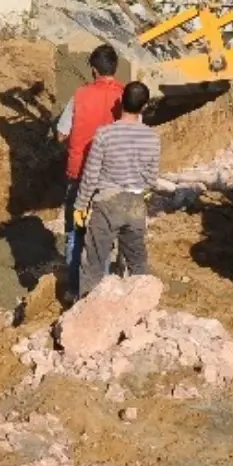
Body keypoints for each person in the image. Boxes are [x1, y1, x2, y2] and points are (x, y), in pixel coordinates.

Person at [72, 81, 161, 299]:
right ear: (145, 106)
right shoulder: (152, 137)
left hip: (106, 204)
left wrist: (80, 205)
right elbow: (151, 176)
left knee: (94, 261)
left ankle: (86, 310)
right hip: (135, 205)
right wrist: (144, 190)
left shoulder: (104, 134)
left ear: (121, 101)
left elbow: (91, 175)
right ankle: (140, 309)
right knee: (136, 261)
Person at [54, 44, 124, 297]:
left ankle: (75, 289)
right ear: (114, 69)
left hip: (81, 176)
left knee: (76, 232)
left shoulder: (80, 96)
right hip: (112, 181)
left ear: (93, 70)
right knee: (103, 235)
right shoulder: (126, 97)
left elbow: (62, 134)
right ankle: (98, 291)